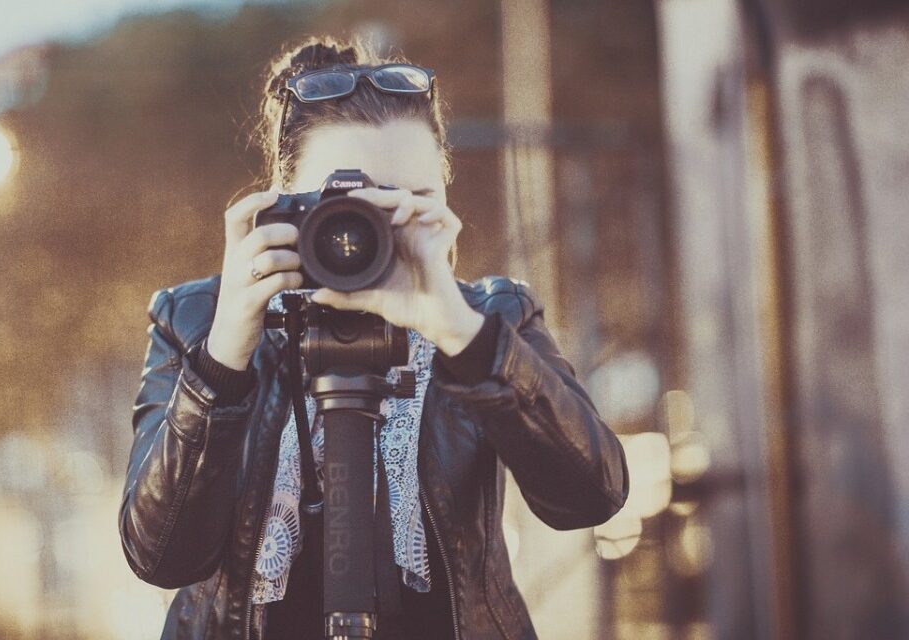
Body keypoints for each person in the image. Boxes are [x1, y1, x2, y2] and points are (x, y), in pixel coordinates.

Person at [119, 36, 629, 640]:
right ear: (282, 205)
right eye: (349, 204)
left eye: (411, 203)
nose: (373, 233)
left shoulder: (490, 317)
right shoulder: (198, 320)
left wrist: (462, 335)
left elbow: (591, 497)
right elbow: (160, 555)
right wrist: (225, 355)